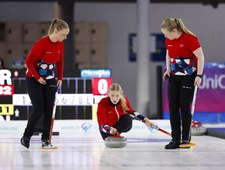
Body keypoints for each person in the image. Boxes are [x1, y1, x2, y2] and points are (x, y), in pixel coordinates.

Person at [20, 18, 70, 148]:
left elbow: (60, 62)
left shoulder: (60, 45)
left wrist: (60, 78)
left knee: (49, 110)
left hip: (50, 79)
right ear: (56, 31)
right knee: (39, 108)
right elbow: (28, 62)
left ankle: (46, 139)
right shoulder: (41, 44)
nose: (65, 37)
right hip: (33, 78)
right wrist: (37, 77)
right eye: (63, 34)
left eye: (66, 35)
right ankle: (26, 136)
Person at [161, 18, 204, 149]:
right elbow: (168, 53)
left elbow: (201, 57)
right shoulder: (169, 40)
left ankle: (185, 138)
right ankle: (175, 139)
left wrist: (199, 75)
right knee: (173, 107)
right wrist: (168, 69)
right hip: (174, 76)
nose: (165, 36)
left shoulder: (190, 38)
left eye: (166, 34)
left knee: (184, 107)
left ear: (174, 31)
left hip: (188, 77)